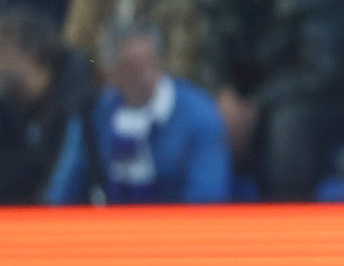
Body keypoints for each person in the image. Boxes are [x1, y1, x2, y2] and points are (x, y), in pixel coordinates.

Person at [202, 0, 344, 200]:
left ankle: (288, 218)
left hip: (311, 108)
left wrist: (257, 104)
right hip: (248, 110)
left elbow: (322, 70)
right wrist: (221, 92)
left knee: (289, 122)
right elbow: (205, 54)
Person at [43, 20, 231, 205]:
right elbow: (65, 188)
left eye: (149, 63)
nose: (145, 77)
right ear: (111, 72)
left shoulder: (199, 115)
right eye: (132, 68)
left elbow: (207, 197)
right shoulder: (95, 113)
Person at [0, 6, 97, 204]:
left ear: (31, 52)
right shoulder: (10, 113)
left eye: (2, 49)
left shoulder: (76, 108)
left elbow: (62, 187)